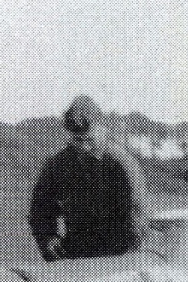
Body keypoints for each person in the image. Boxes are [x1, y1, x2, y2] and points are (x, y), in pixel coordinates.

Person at [29, 95, 148, 261]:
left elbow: (136, 217)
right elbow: (40, 209)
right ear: (70, 135)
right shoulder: (57, 165)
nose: (84, 147)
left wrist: (123, 259)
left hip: (116, 254)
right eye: (78, 140)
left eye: (90, 140)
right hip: (76, 253)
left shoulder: (122, 164)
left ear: (102, 129)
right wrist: (48, 238)